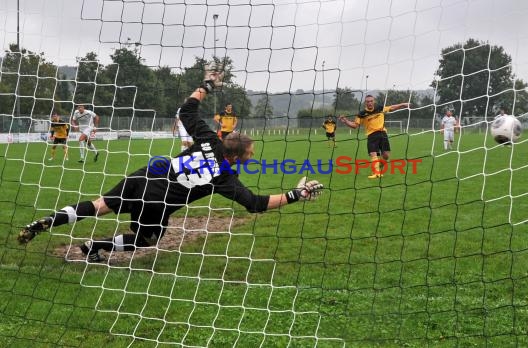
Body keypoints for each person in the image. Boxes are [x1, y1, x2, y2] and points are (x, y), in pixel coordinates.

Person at [18, 65, 324, 262]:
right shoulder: (224, 176)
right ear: (235, 156)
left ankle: (44, 222)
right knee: (145, 241)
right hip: (158, 201)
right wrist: (297, 195)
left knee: (97, 206)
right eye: (250, 153)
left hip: (144, 176)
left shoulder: (208, 139)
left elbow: (187, 111)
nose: (253, 156)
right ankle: (95, 247)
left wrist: (206, 85)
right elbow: (256, 203)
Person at [339, 95, 409, 179]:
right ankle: (376, 173)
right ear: (365, 103)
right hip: (371, 135)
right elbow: (354, 125)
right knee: (373, 154)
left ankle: (378, 167)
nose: (370, 103)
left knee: (386, 155)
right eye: (368, 101)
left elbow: (391, 108)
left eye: (371, 101)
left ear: (374, 101)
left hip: (383, 133)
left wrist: (402, 104)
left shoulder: (380, 108)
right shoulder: (361, 114)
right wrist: (346, 121)